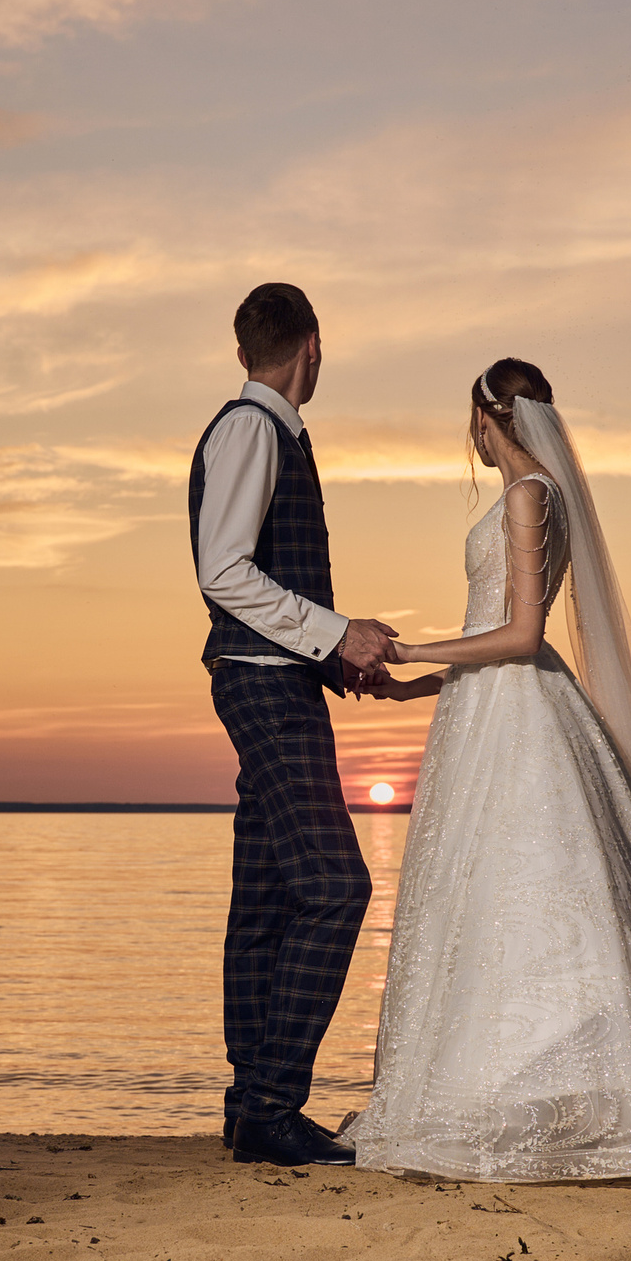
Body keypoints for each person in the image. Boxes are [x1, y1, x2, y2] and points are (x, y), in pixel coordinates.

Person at [345, 358, 631, 1182]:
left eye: (471, 424)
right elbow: (500, 634)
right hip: (486, 709)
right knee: (498, 896)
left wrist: (410, 647)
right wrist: (411, 686)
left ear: (486, 418)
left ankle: (554, 1093)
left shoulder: (528, 496)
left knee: (534, 890)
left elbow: (519, 635)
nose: (471, 439)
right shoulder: (542, 494)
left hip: (519, 718)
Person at [189, 283, 399, 1169]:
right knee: (337, 887)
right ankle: (273, 1102)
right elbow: (224, 571)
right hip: (263, 685)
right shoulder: (251, 429)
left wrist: (333, 658)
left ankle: (251, 1107)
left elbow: (257, 574)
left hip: (279, 680)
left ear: (246, 348)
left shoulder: (271, 431)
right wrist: (334, 632)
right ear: (312, 345)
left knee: (268, 896)